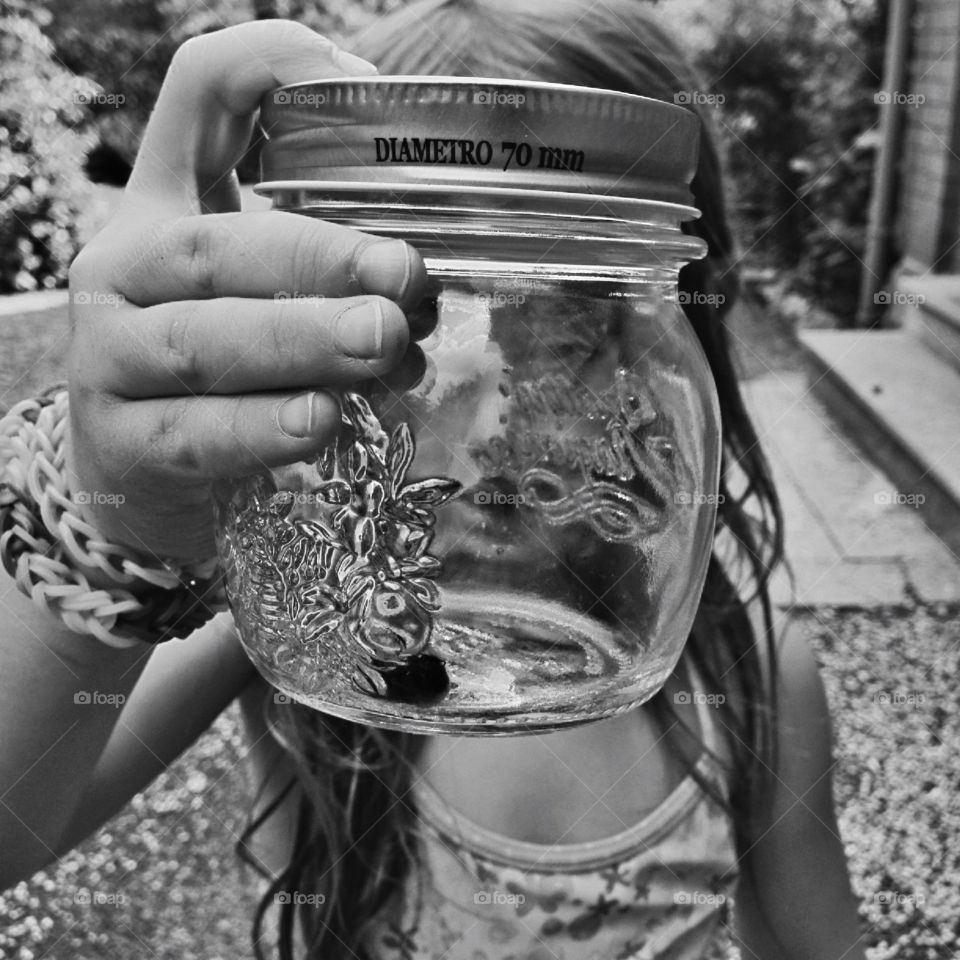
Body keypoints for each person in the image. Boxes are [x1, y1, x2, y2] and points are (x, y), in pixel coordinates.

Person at [0, 5, 868, 960]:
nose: (494, 428)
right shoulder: (298, 592)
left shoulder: (750, 672)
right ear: (321, 334)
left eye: (567, 340)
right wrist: (115, 522)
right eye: (417, 348)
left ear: (673, 327)